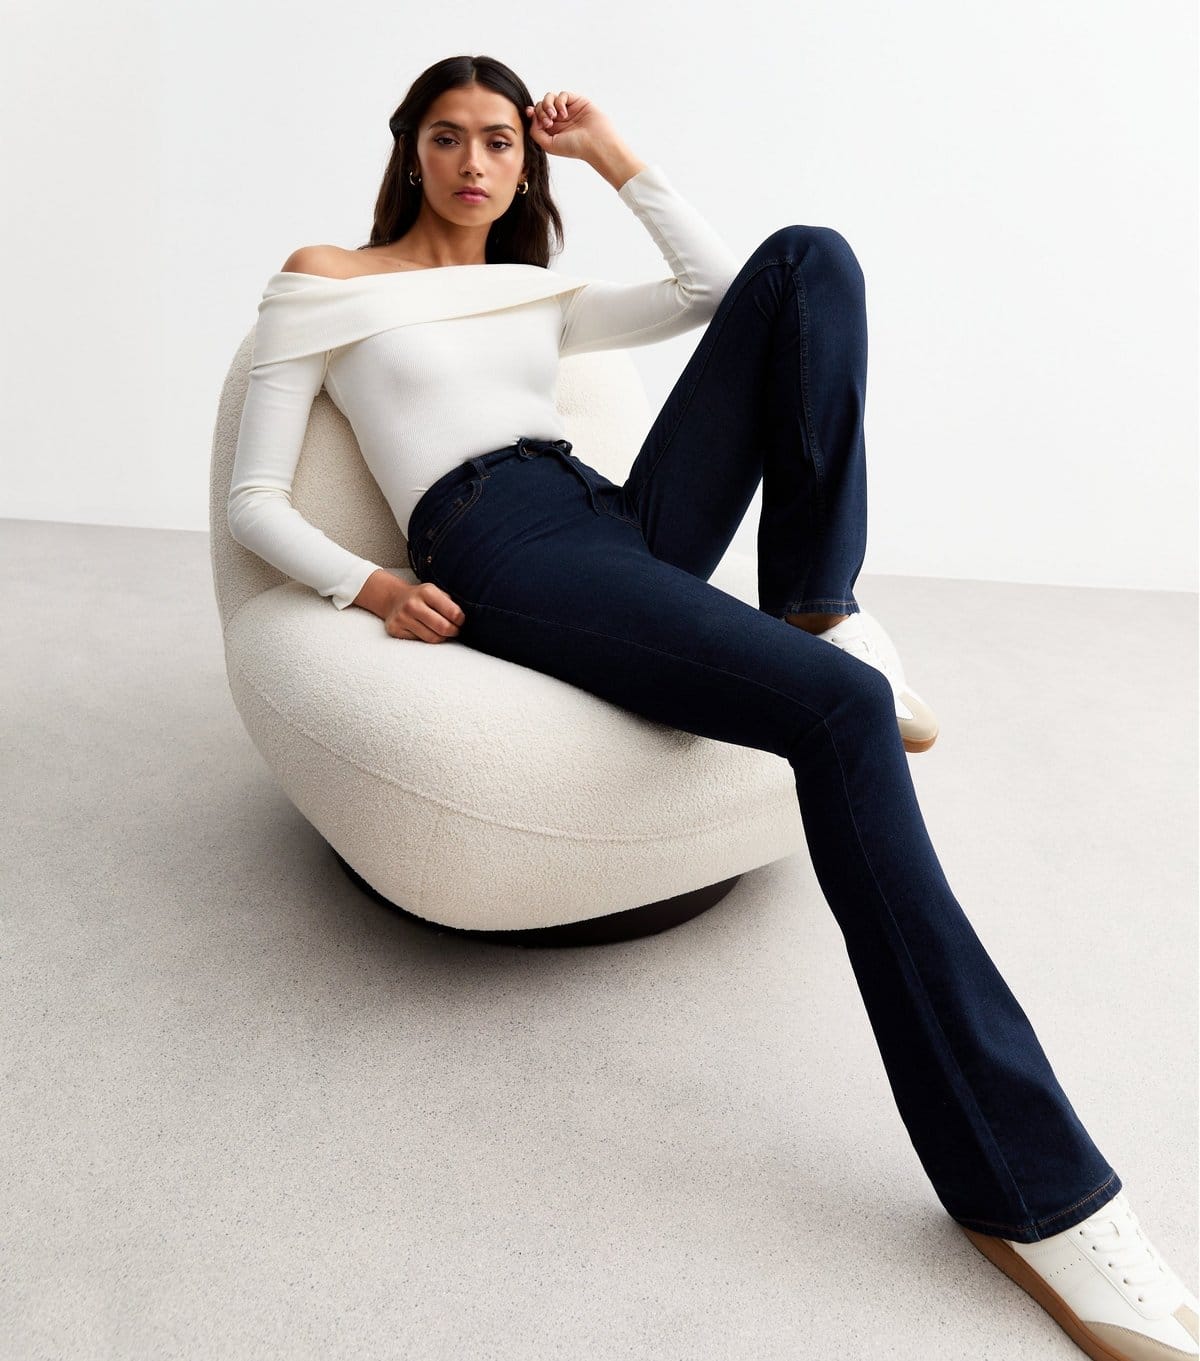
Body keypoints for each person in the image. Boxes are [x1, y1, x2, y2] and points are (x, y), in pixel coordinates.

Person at [227, 54, 1197, 1361]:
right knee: (844, 716)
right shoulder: (325, 282)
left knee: (807, 260)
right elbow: (253, 501)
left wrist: (613, 155)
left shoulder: (530, 290)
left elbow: (717, 289)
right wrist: (374, 585)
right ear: (411, 150)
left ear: (525, 160)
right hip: (496, 543)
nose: (474, 163)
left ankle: (815, 602)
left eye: (502, 141)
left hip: (606, 511)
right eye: (448, 138)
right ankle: (1036, 1197)